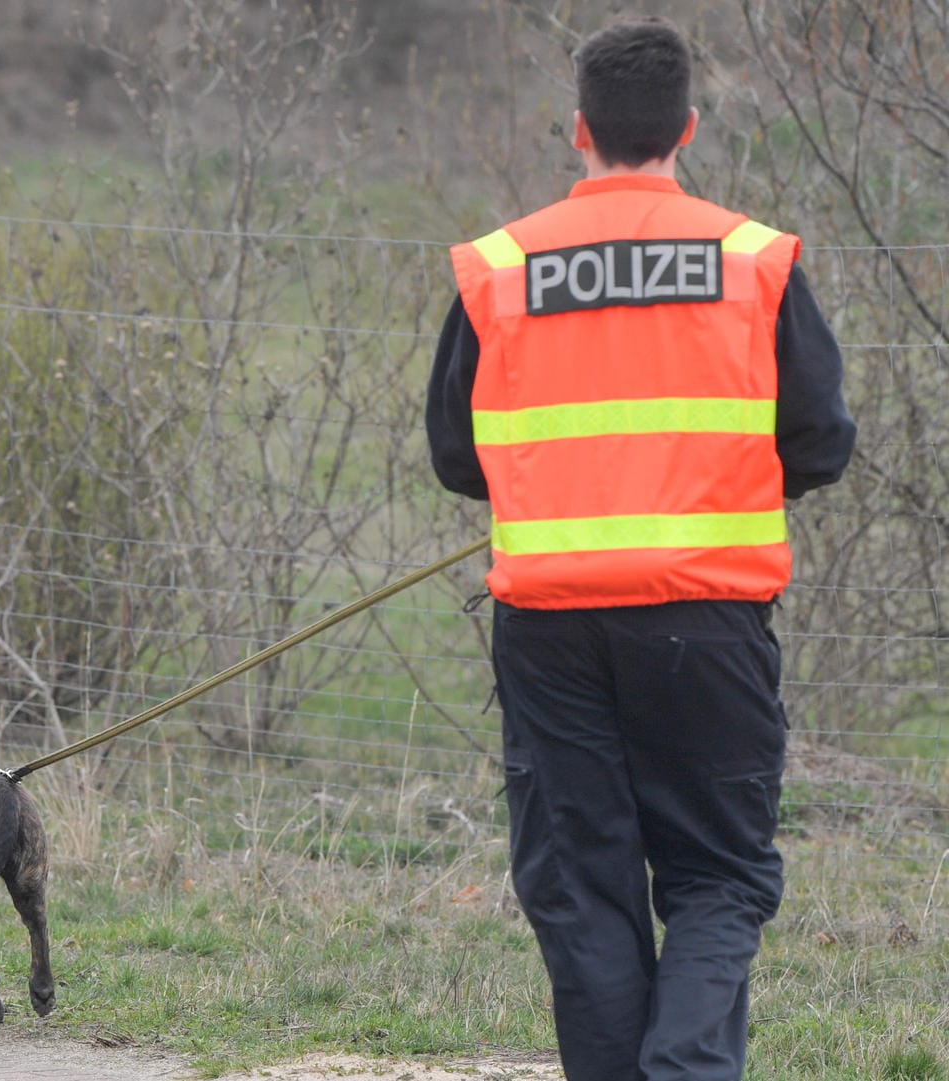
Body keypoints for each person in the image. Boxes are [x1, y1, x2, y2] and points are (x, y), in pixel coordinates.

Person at [426, 17, 854, 1081]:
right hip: (708, 621)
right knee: (720, 877)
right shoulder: (753, 260)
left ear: (579, 131)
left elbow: (453, 452)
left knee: (584, 884)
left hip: (551, 633)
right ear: (688, 129)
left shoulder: (500, 268)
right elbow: (820, 441)